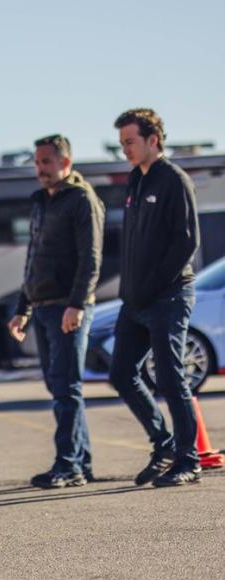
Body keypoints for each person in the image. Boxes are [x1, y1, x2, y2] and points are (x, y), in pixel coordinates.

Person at [108, 108, 202, 487]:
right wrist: (130, 291)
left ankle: (188, 459)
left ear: (153, 140)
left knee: (169, 376)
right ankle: (163, 443)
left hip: (169, 296)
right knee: (121, 373)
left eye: (130, 142)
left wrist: (152, 287)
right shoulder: (135, 181)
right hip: (134, 302)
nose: (125, 150)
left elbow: (186, 241)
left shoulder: (174, 180)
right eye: (122, 144)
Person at [7, 134, 104, 488]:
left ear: (66, 162)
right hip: (44, 307)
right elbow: (33, 260)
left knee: (66, 387)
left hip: (69, 306)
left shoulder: (82, 200)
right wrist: (23, 309)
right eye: (37, 163)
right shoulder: (41, 202)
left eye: (47, 162)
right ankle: (82, 462)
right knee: (58, 385)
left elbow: (91, 258)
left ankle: (68, 465)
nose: (40, 169)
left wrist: (77, 303)